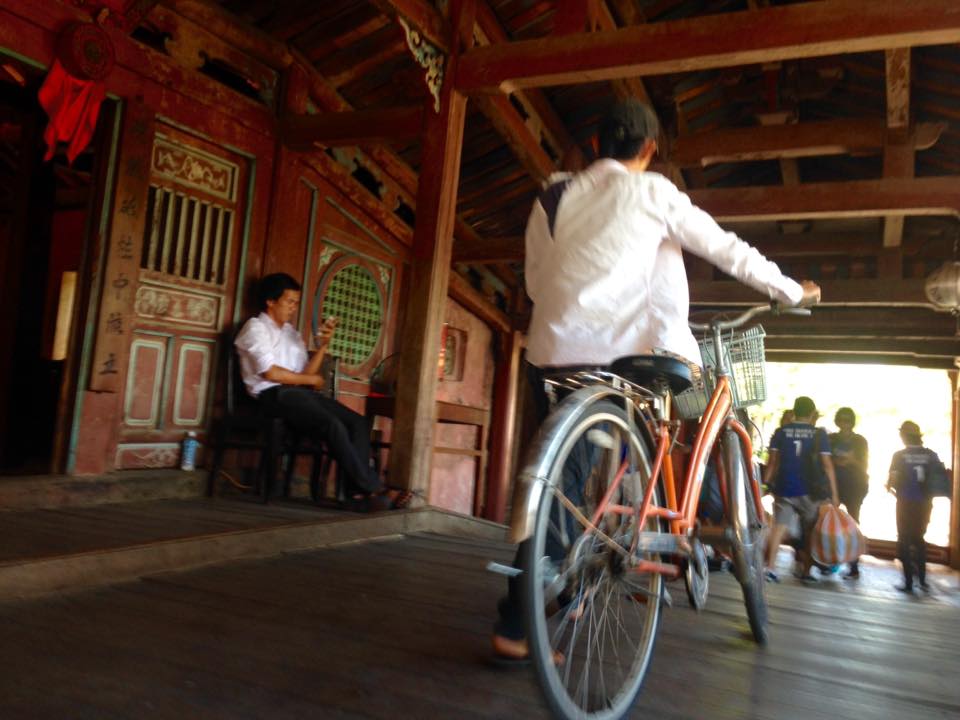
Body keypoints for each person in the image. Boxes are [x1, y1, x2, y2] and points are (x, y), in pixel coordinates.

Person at [492, 98, 821, 661]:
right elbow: (727, 249)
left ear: (595, 146)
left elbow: (535, 282)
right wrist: (791, 290)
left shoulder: (552, 196)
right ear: (648, 149)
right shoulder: (654, 192)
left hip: (550, 355)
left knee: (560, 485)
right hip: (624, 362)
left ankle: (556, 598)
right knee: (586, 476)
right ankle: (521, 623)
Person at [234, 273, 408, 511]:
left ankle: (356, 496)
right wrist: (311, 380)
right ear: (270, 301)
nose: (293, 308)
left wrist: (323, 346)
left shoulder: (291, 333)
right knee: (331, 425)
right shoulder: (256, 327)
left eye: (296, 303)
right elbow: (270, 373)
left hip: (297, 395)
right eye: (289, 302)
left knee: (357, 423)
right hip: (271, 395)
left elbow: (307, 374)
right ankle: (373, 488)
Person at [762, 396, 839, 583]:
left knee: (778, 528)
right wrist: (834, 494)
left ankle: (770, 568)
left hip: (784, 487)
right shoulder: (819, 435)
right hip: (810, 490)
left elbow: (773, 462)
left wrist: (765, 484)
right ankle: (806, 571)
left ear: (794, 411)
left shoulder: (781, 432)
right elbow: (827, 465)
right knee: (810, 530)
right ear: (812, 413)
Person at [886, 421, 945, 593]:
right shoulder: (931, 455)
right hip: (925, 503)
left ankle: (908, 582)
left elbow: (893, 480)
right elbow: (939, 479)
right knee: (919, 539)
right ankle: (923, 581)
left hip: (905, 502)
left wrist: (889, 486)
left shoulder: (899, 456)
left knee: (904, 539)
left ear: (903, 436)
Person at [828, 407, 869, 578]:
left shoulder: (860, 441)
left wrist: (850, 461)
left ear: (852, 422)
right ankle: (830, 561)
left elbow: (864, 465)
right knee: (830, 524)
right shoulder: (831, 439)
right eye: (841, 419)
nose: (844, 423)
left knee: (853, 526)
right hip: (834, 487)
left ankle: (854, 565)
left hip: (855, 487)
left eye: (847, 420)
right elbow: (826, 461)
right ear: (837, 421)